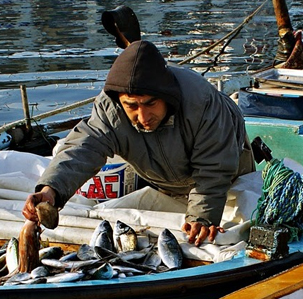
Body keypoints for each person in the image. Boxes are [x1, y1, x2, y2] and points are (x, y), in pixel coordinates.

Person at [22, 40, 255, 246]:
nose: (143, 117)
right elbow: (84, 148)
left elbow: (214, 170)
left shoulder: (202, 103)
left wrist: (201, 218)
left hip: (228, 180)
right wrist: (51, 190)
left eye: (150, 103)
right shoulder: (110, 109)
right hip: (165, 183)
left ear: (167, 96)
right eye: (132, 106)